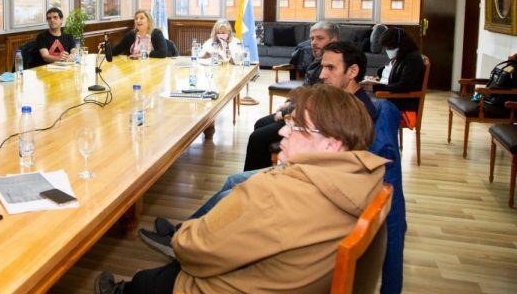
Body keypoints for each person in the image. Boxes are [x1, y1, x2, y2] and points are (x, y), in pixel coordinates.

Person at [95, 84, 387, 294]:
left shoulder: (276, 191)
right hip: (291, 275)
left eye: (297, 127)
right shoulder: (367, 179)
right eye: (288, 121)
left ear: (331, 143)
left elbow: (190, 248)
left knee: (152, 280)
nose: (283, 131)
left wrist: (184, 235)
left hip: (241, 283)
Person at [139, 40, 378, 256]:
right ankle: (183, 232)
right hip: (301, 173)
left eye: (331, 68)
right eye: (323, 66)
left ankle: (187, 241)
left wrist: (271, 180)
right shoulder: (339, 99)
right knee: (234, 180)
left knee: (231, 191)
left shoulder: (356, 112)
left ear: (353, 71)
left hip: (302, 182)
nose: (322, 74)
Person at [243, 21, 339, 171]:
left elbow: (316, 99)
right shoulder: (318, 61)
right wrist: (290, 101)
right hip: (300, 110)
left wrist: (286, 112)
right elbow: (307, 89)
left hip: (310, 119)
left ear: (333, 40)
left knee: (257, 138)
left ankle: (256, 181)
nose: (314, 43)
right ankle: (263, 173)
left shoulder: (330, 66)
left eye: (320, 38)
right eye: (312, 38)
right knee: (260, 124)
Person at [362, 27, 425, 127]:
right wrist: (375, 79)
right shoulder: (402, 57)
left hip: (404, 109)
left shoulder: (413, 60)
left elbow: (403, 86)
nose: (387, 50)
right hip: (395, 103)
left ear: (399, 45)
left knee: (364, 112)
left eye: (390, 47)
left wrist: (374, 87)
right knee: (363, 106)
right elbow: (394, 76)